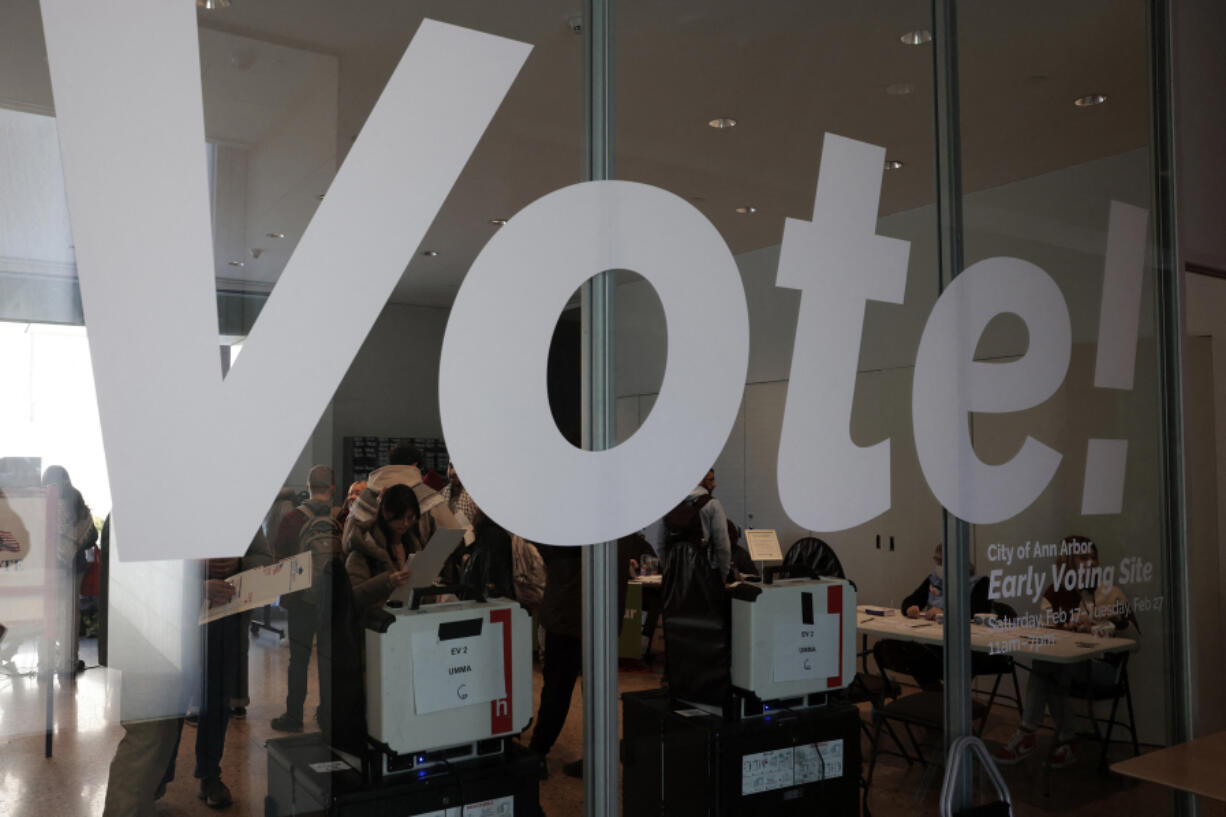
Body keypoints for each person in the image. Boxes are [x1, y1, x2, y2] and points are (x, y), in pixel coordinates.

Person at [993, 537, 1136, 769]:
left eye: (1093, 558)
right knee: (1050, 665)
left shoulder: (1111, 592)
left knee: (1046, 666)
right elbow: (1050, 637)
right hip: (1069, 664)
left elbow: (1135, 642)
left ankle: (1030, 733)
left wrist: (1117, 622)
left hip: (1104, 669)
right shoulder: (1055, 593)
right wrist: (1068, 629)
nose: (1090, 563)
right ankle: (1065, 740)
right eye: (1083, 558)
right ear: (1067, 562)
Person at [270, 465, 339, 733]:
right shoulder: (338, 517)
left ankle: (294, 715)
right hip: (329, 599)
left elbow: (281, 560)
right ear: (332, 488)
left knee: (298, 659)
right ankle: (326, 714)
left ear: (308, 487)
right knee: (327, 659)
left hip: (301, 600)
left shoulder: (292, 519)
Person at [343, 443, 457, 559]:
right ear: (415, 465)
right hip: (414, 571)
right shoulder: (428, 496)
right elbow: (452, 537)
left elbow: (347, 542)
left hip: (369, 571)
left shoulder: (365, 496)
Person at [43, 465, 97, 675]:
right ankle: (69, 662)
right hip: (75, 567)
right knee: (70, 613)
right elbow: (91, 534)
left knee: (47, 612)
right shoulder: (75, 497)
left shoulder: (41, 499)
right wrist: (73, 545)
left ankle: (45, 663)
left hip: (48, 566)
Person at [344, 483, 418, 616]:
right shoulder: (365, 547)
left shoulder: (411, 544)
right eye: (400, 517)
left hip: (406, 624)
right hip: (375, 630)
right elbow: (350, 598)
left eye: (410, 517)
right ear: (385, 512)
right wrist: (387, 582)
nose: (406, 523)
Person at [659, 468, 732, 582]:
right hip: (704, 576)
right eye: (710, 480)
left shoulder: (671, 503)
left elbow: (661, 544)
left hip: (674, 576)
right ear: (698, 481)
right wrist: (723, 575)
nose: (714, 485)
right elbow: (722, 545)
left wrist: (667, 571)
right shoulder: (712, 504)